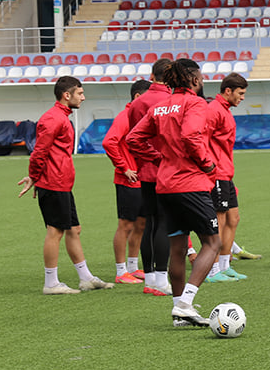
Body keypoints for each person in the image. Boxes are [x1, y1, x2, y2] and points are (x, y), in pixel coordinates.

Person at [126, 59, 220, 327]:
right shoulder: (195, 103)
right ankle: (185, 303)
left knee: (177, 248)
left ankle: (180, 313)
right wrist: (208, 164)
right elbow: (191, 136)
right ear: (192, 78)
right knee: (213, 243)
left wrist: (160, 158)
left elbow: (133, 139)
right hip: (191, 183)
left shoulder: (160, 105)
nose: (202, 80)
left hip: (165, 185)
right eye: (200, 76)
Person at [17, 76, 114, 294]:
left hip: (62, 183)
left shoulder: (61, 116)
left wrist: (35, 177)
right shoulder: (53, 118)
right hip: (53, 183)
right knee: (55, 231)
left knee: (73, 229)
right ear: (66, 95)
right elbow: (39, 152)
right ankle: (51, 283)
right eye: (80, 93)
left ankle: (86, 278)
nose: (84, 97)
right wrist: (34, 176)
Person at [125, 57, 175, 296]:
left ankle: (150, 278)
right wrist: (160, 157)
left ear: (152, 76)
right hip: (168, 170)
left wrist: (149, 157)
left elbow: (134, 138)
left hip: (145, 170)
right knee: (164, 223)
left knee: (149, 223)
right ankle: (162, 279)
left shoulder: (138, 103)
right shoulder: (173, 101)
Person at [104, 78, 150, 284]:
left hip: (143, 179)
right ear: (138, 97)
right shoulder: (126, 116)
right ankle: (121, 271)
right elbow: (109, 141)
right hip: (128, 180)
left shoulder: (142, 117)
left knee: (141, 224)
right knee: (126, 225)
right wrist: (124, 167)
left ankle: (133, 267)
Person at [205, 73, 249, 283]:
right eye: (240, 94)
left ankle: (225, 265)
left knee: (233, 218)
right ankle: (213, 270)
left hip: (226, 173)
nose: (242, 98)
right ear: (228, 91)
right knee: (220, 220)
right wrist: (210, 166)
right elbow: (202, 139)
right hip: (216, 173)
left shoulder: (225, 111)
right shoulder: (214, 110)